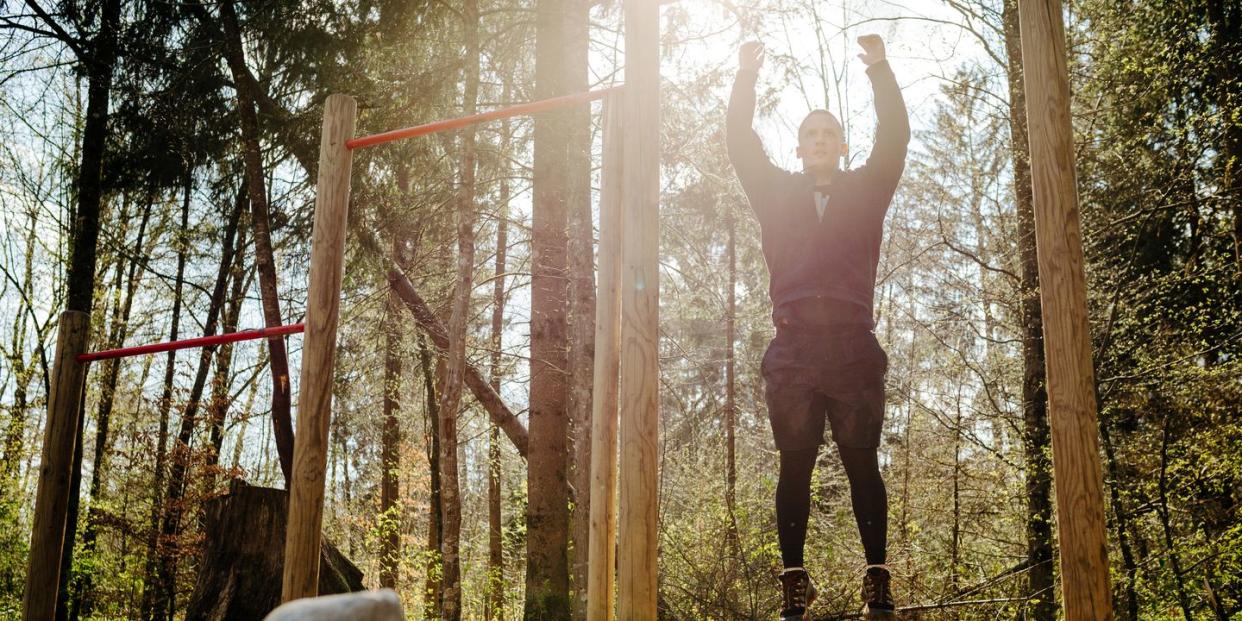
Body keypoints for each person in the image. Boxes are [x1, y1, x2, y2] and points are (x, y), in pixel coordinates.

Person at [726, 34, 910, 621]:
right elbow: (739, 143)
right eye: (811, 135)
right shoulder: (776, 193)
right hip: (795, 344)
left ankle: (877, 577)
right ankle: (793, 582)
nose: (820, 142)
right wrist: (746, 76)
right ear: (801, 149)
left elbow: (896, 138)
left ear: (842, 145)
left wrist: (880, 70)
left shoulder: (866, 191)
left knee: (862, 462)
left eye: (829, 133)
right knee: (795, 464)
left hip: (853, 343)